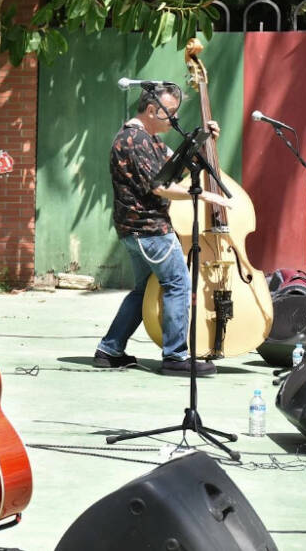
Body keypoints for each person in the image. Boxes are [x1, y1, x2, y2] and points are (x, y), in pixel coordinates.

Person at [94, 84, 229, 376]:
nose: (174, 118)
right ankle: (175, 357)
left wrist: (205, 141)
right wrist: (202, 195)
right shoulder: (133, 140)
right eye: (171, 112)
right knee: (178, 283)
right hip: (148, 228)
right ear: (153, 110)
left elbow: (175, 169)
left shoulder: (149, 140)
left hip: (139, 228)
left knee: (144, 291)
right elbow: (160, 187)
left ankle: (109, 350)